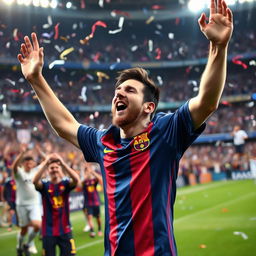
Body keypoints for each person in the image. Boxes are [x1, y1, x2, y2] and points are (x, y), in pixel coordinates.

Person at [17, 0, 233, 255]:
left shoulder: (165, 132)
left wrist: (219, 46)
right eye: (117, 91)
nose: (118, 94)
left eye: (129, 90)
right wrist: (36, 79)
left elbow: (207, 101)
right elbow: (65, 125)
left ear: (148, 107)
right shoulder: (102, 142)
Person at [33, 153, 80, 256]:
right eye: (51, 168)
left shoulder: (66, 184)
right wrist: (45, 163)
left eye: (56, 167)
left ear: (60, 169)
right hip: (48, 231)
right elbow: (34, 181)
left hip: (65, 229)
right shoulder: (45, 185)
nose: (54, 169)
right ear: (48, 170)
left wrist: (63, 163)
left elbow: (76, 180)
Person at [12, 144, 42, 256]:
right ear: (23, 164)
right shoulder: (19, 173)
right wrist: (22, 154)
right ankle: (19, 247)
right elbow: (14, 167)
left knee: (38, 225)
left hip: (34, 204)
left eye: (31, 163)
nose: (29, 165)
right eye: (27, 163)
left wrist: (41, 152)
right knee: (23, 230)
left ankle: (27, 244)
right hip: (21, 205)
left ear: (33, 163)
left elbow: (45, 162)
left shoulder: (35, 171)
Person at [81, 162, 103, 238]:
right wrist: (86, 175)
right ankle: (92, 231)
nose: (88, 173)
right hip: (88, 203)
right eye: (86, 171)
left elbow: (101, 180)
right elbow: (80, 184)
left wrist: (93, 172)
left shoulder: (94, 181)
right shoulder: (84, 182)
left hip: (96, 202)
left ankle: (99, 229)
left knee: (98, 218)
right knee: (89, 217)